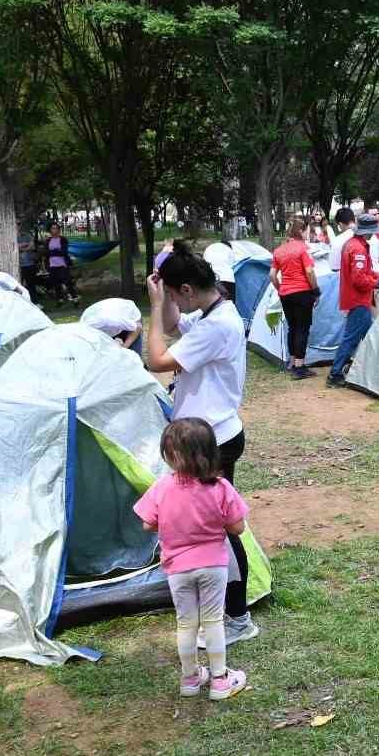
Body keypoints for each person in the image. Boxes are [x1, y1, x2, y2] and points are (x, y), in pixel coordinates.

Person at [146, 243, 258, 646]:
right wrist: (164, 301)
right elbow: (177, 328)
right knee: (215, 529)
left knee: (222, 532)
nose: (173, 301)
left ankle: (238, 617)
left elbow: (157, 359)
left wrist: (155, 307)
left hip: (213, 443)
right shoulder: (214, 311)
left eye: (176, 294)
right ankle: (226, 613)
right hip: (210, 436)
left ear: (189, 290)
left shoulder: (218, 326)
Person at [134, 418, 251, 701]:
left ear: (170, 456)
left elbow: (147, 524)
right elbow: (238, 528)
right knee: (212, 621)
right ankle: (221, 681)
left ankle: (190, 679)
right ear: (211, 452)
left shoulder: (162, 488)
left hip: (177, 568)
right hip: (213, 566)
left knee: (186, 623)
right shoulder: (221, 487)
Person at [328, 214, 379, 388]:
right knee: (351, 338)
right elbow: (358, 279)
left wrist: (376, 275)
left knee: (370, 334)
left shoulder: (353, 244)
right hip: (358, 300)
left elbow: (363, 272)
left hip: (357, 299)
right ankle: (335, 373)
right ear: (368, 232)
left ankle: (368, 368)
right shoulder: (358, 249)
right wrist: (376, 282)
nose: (375, 234)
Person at [271, 216, 320, 380]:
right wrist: (316, 290)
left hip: (286, 294)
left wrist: (280, 289)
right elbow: (310, 272)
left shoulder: (279, 250)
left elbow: (272, 275)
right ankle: (300, 367)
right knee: (303, 328)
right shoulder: (303, 249)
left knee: (292, 327)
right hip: (303, 292)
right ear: (301, 231)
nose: (308, 233)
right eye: (307, 230)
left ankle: (292, 362)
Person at [44, 223, 76, 302]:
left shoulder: (63, 239)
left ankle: (74, 297)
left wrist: (53, 252)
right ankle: (60, 299)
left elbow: (64, 252)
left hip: (62, 264)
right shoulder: (48, 240)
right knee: (55, 283)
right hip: (52, 264)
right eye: (52, 228)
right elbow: (46, 252)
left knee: (67, 282)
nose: (54, 230)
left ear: (58, 230)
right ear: (50, 230)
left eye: (56, 228)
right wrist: (56, 251)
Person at [327, 207, 357, 272]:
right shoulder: (368, 235)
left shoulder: (338, 241)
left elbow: (335, 268)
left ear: (340, 224)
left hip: (348, 278)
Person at [16, 226, 40, 304]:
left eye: (19, 224)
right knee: (18, 285)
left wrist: (20, 247)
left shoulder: (27, 235)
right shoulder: (10, 235)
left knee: (31, 285)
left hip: (29, 263)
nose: (17, 225)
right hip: (17, 264)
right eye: (16, 223)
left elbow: (32, 246)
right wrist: (25, 245)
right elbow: (12, 246)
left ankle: (35, 302)